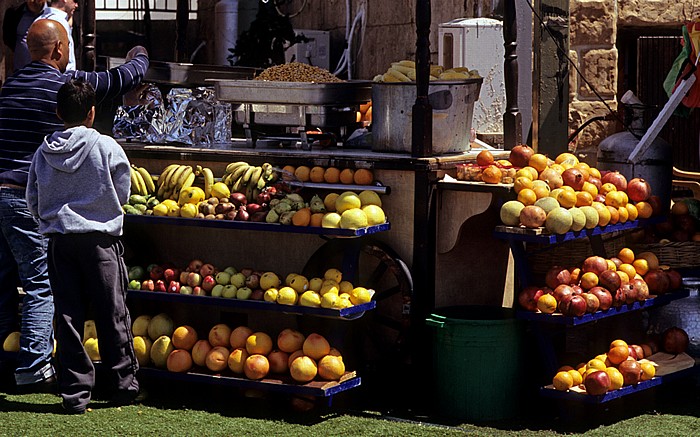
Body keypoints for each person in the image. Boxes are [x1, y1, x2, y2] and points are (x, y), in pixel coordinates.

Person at [0, 18, 148, 396]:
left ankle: (10, 359)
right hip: (39, 212)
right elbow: (123, 79)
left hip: (6, 200)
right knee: (40, 285)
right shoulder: (67, 87)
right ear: (60, 50)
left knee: (5, 282)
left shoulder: (9, 87)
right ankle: (34, 366)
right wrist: (140, 55)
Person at [26, 79, 139, 414]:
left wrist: (51, 222)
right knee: (111, 312)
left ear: (58, 112)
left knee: (68, 318)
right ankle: (123, 386)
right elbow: (123, 190)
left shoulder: (43, 152)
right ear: (92, 112)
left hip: (60, 241)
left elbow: (33, 198)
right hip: (100, 241)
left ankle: (75, 393)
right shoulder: (107, 147)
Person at [2, 0, 47, 71]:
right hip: (21, 71)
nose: (33, 1)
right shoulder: (14, 13)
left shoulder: (54, 12)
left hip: (47, 73)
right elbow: (8, 39)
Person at [35, 0, 78, 71]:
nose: (76, 5)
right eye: (75, 1)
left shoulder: (39, 19)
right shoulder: (58, 21)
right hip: (60, 78)